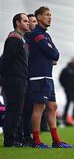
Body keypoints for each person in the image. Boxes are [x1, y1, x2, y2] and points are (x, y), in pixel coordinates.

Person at [27, 6, 72, 148]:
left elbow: (56, 53)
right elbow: (52, 53)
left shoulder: (46, 35)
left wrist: (51, 52)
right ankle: (37, 141)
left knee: (52, 107)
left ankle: (56, 141)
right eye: (47, 15)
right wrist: (51, 52)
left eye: (50, 15)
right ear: (39, 17)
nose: (50, 17)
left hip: (48, 77)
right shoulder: (35, 34)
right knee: (39, 108)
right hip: (38, 77)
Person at [1, 13, 29, 147]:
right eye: (25, 21)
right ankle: (10, 140)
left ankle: (14, 138)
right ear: (17, 23)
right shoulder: (14, 39)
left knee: (16, 109)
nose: (28, 23)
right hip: (14, 79)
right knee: (14, 109)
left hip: (19, 78)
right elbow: (6, 60)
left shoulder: (20, 39)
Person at [22, 14, 38, 146]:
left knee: (29, 109)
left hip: (30, 79)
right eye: (32, 21)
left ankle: (27, 136)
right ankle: (24, 136)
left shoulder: (33, 40)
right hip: (23, 79)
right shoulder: (22, 40)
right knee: (25, 109)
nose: (34, 24)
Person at [59, 57, 74, 126]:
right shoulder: (66, 69)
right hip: (69, 90)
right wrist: (65, 87)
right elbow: (61, 79)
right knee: (68, 103)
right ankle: (64, 118)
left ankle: (73, 118)